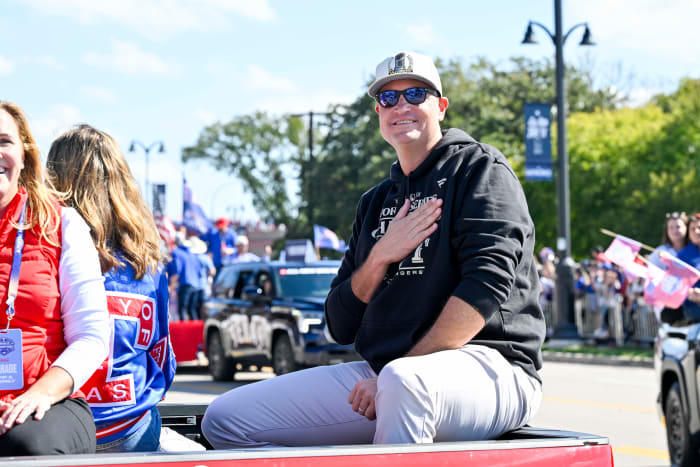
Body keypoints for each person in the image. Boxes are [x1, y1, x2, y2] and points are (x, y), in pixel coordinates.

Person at [202, 51, 544, 447]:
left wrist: (395, 371)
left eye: (416, 94)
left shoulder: (479, 169)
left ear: (441, 106)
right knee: (225, 419)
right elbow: (340, 323)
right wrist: (381, 254)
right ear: (378, 113)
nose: (401, 106)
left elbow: (486, 286)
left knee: (404, 382)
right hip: (382, 372)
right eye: (388, 98)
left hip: (493, 368)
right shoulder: (375, 202)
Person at [46, 124, 177, 452]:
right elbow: (162, 357)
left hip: (58, 424)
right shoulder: (147, 260)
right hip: (130, 424)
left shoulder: (40, 256)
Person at [0, 102, 109, 455]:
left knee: (27, 445)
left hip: (47, 401)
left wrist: (38, 394)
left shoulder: (62, 224)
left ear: (24, 152)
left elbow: (92, 337)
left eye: (3, 141)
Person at [167, 233, 201, 321]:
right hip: (196, 285)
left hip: (185, 284)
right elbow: (198, 271)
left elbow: (177, 271)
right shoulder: (192, 253)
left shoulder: (177, 252)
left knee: (182, 309)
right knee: (191, 310)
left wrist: (170, 287)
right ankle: (196, 334)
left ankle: (184, 334)